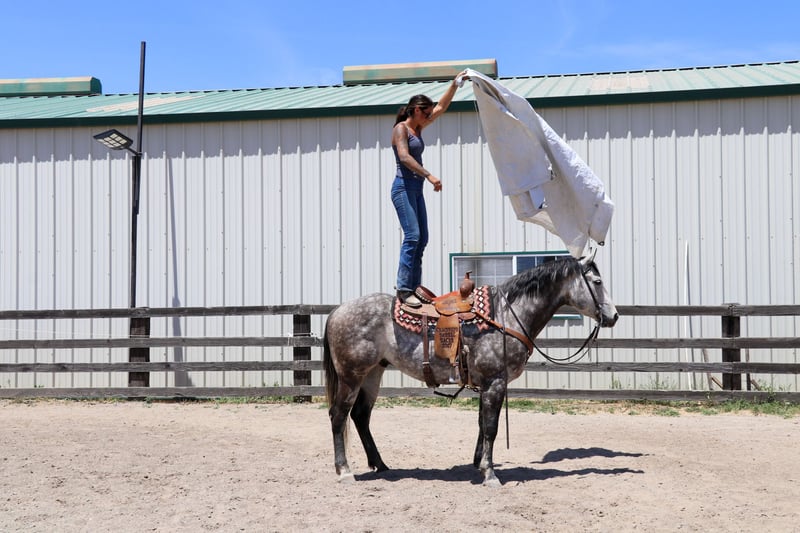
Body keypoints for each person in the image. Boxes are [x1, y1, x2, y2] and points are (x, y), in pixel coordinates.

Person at [391, 71, 467, 307]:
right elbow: (404, 157)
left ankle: (415, 286)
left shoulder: (418, 127)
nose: (428, 117)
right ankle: (404, 288)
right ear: (416, 110)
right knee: (412, 236)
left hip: (416, 189)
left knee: (422, 238)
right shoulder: (401, 129)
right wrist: (429, 175)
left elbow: (441, 107)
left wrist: (454, 85)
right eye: (425, 113)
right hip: (403, 187)